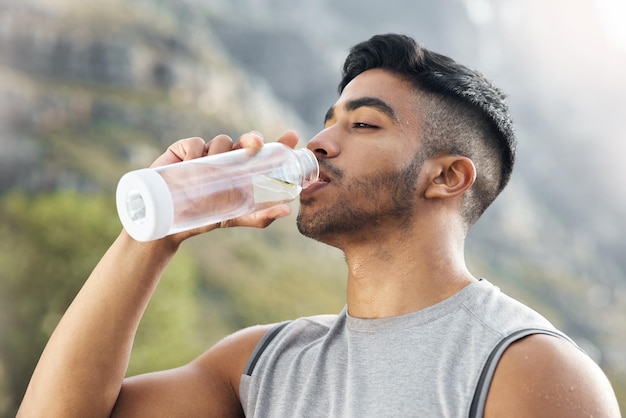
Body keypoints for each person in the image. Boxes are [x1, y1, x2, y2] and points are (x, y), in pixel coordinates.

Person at [18, 34, 620, 417]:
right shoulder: (262, 363)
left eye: (363, 126)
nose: (320, 143)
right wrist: (151, 237)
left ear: (446, 178)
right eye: (327, 121)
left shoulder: (527, 368)